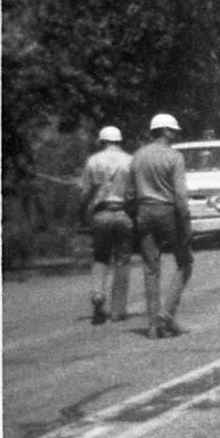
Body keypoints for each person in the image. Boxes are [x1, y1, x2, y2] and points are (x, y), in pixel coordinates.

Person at [128, 113, 193, 339]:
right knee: (185, 262)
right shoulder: (174, 157)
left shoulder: (138, 156)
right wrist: (186, 222)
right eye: (173, 130)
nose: (175, 134)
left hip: (143, 211)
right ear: (165, 131)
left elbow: (129, 192)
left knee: (151, 268)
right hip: (167, 211)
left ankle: (154, 325)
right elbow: (180, 195)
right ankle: (167, 313)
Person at [78, 125, 134, 324]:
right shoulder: (130, 161)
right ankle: (118, 310)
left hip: (101, 214)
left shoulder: (93, 161)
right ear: (119, 141)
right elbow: (133, 192)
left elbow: (85, 192)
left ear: (102, 141)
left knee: (100, 257)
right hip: (124, 213)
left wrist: (83, 215)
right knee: (122, 260)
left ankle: (98, 294)